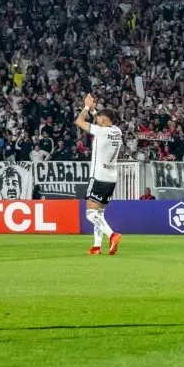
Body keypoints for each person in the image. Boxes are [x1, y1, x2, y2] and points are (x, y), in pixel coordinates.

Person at [75, 94, 123, 255]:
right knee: (99, 213)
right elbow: (100, 120)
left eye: (99, 118)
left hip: (99, 177)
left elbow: (79, 122)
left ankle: (112, 235)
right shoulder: (117, 131)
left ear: (103, 120)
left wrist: (87, 107)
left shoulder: (101, 132)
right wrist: (95, 111)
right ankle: (96, 246)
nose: (97, 119)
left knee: (90, 214)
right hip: (111, 178)